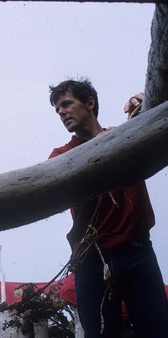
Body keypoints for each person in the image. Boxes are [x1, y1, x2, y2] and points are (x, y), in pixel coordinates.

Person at [47, 78, 168, 337]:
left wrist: (146, 106)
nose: (62, 113)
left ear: (89, 103)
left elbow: (154, 127)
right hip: (91, 260)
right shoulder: (60, 156)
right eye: (57, 110)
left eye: (66, 104)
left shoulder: (127, 137)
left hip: (137, 251)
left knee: (158, 330)